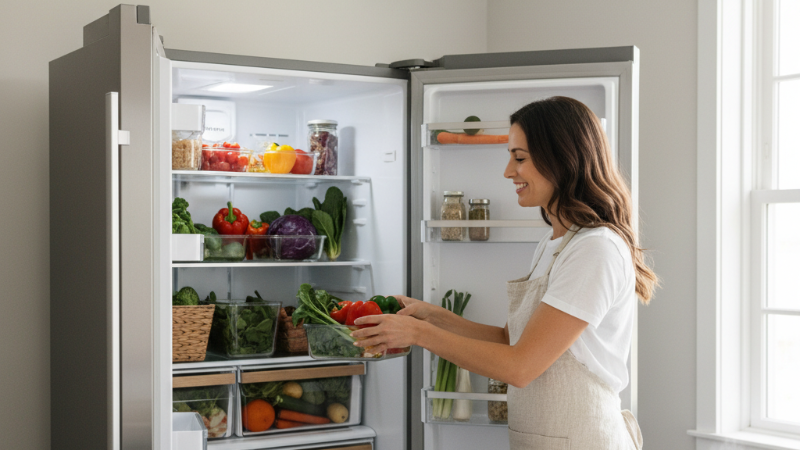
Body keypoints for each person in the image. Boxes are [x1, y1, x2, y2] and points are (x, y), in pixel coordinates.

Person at [351, 96, 658, 449]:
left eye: (520, 158)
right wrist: (432, 316)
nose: (508, 171)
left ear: (562, 158)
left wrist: (419, 334)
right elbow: (509, 341)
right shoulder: (554, 243)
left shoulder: (595, 248)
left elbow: (520, 367)